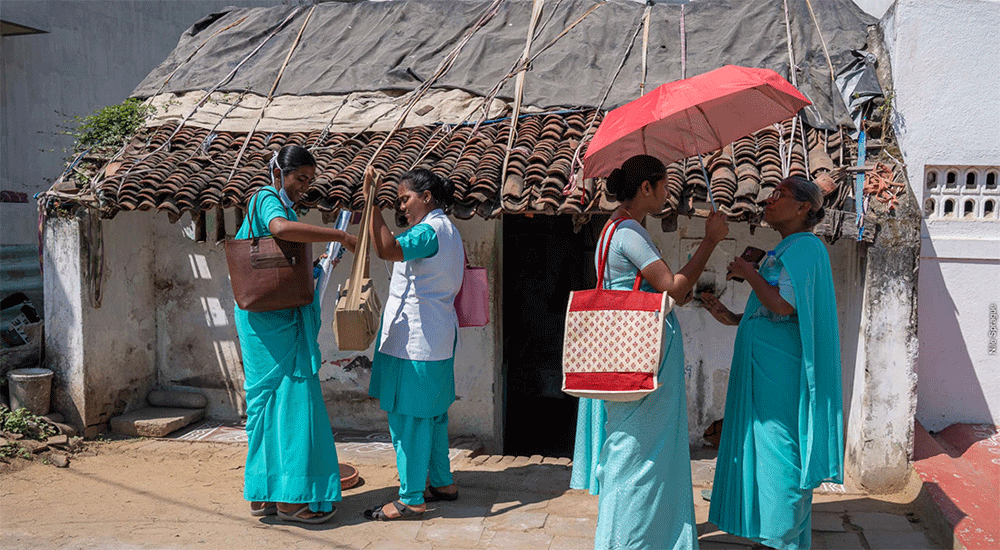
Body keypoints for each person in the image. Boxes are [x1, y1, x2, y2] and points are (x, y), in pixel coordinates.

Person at [571, 154, 729, 549]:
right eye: (664, 186)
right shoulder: (629, 232)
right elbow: (673, 287)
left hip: (629, 351)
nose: (667, 194)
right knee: (641, 456)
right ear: (646, 188)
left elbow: (658, 287)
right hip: (645, 354)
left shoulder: (614, 230)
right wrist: (710, 241)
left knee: (636, 449)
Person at [701, 176, 844, 550]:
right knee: (765, 447)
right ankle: (776, 534)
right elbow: (772, 312)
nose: (769, 199)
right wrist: (731, 317)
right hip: (765, 365)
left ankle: (781, 537)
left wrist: (749, 273)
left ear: (804, 208)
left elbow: (784, 305)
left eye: (780, 194)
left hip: (780, 369)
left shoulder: (806, 248)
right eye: (771, 192)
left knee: (780, 447)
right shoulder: (786, 249)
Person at [233, 144, 357, 524]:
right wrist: (339, 237)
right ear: (278, 172)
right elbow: (279, 230)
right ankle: (291, 500)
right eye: (300, 178)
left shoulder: (282, 204)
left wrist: (318, 266)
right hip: (273, 325)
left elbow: (284, 265)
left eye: (309, 180)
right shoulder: (268, 198)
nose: (304, 187)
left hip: (268, 319)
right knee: (292, 404)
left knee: (270, 407)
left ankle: (265, 493)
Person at [361, 167, 465, 521]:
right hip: (436, 337)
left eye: (405, 199)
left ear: (427, 197)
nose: (402, 206)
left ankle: (411, 498)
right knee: (432, 416)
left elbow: (387, 248)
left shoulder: (428, 232)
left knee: (409, 420)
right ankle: (442, 481)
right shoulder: (448, 231)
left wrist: (371, 203)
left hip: (418, 343)